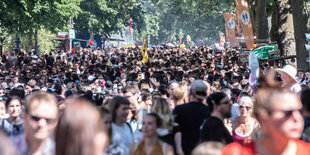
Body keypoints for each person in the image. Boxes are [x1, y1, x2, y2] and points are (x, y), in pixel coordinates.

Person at [222, 72, 310, 155]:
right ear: (264, 117)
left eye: (300, 111)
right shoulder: (235, 152)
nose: (297, 118)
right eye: (287, 113)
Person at [173, 80, 210, 155]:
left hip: (182, 151)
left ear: (190, 93)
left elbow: (173, 130)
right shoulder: (210, 112)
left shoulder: (179, 110)